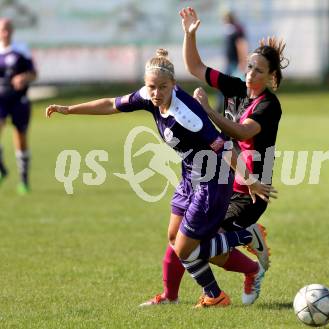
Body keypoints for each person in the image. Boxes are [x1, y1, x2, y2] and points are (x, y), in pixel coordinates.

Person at [46, 49, 275, 308]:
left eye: (162, 88)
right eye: (151, 87)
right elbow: (111, 104)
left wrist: (249, 181)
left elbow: (223, 146)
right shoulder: (149, 96)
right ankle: (179, 296)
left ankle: (242, 240)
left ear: (173, 85)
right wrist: (69, 109)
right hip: (190, 175)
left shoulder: (186, 115)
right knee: (173, 236)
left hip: (212, 182)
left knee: (186, 249)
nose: (155, 93)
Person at [139, 7, 288, 307]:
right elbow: (195, 67)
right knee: (182, 235)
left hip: (250, 188)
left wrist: (206, 110)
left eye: (258, 71)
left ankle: (247, 239)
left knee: (199, 244)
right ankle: (171, 295)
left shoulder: (269, 106)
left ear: (272, 77)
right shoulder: (237, 87)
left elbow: (242, 132)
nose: (250, 74)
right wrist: (188, 35)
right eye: (249, 67)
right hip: (221, 177)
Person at [0, 18, 37, 194]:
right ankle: (2, 169)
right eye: (2, 29)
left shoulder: (21, 50)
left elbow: (34, 73)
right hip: (0, 100)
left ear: (12, 31)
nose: (5, 33)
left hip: (18, 99)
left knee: (20, 139)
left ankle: (24, 181)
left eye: (7, 29)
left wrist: (24, 78)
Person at [216, 10, 248, 112]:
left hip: (235, 62)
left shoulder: (236, 29)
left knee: (232, 85)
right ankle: (222, 105)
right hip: (230, 62)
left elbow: (241, 45)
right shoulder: (229, 29)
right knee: (223, 84)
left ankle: (235, 107)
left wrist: (242, 61)